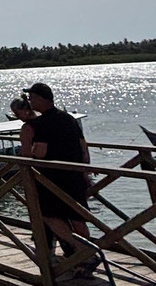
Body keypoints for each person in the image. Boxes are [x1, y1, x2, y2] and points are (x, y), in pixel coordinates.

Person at [26, 82, 100, 277]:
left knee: (49, 215)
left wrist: (29, 157)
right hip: (74, 175)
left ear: (42, 99)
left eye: (32, 97)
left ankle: (81, 250)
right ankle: (85, 256)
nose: (29, 101)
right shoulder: (68, 118)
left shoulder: (43, 123)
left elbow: (40, 153)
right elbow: (82, 145)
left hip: (53, 179)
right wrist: (85, 171)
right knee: (77, 218)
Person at [12, 96, 72, 258]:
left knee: (42, 212)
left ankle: (48, 248)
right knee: (58, 213)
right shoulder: (47, 122)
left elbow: (25, 155)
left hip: (38, 175)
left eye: (17, 115)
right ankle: (68, 250)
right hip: (56, 173)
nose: (17, 118)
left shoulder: (27, 128)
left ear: (24, 111)